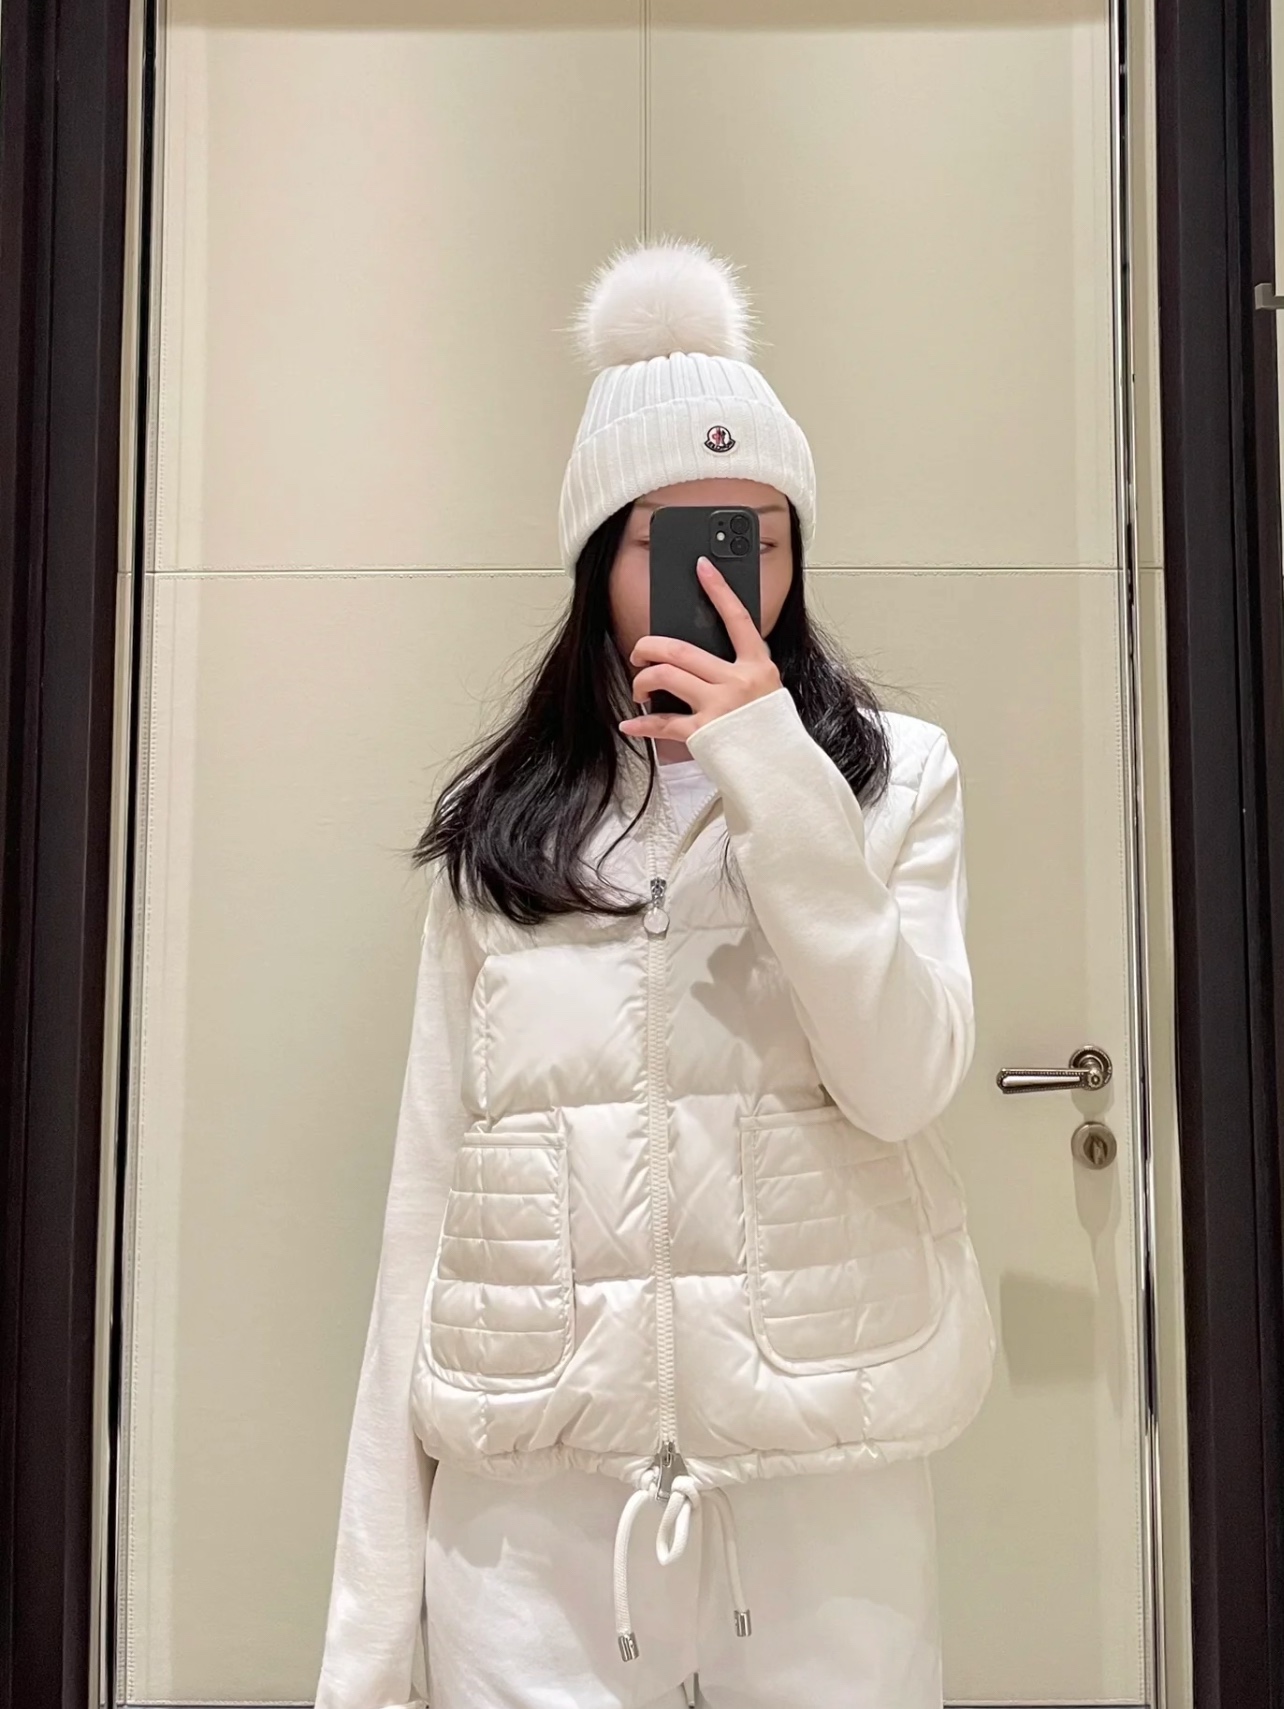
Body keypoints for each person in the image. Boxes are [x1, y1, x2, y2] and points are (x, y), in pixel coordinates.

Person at [314, 237, 996, 1709]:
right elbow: (427, 1197)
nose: (724, 574)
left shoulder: (895, 781)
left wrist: (771, 772)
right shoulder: (504, 831)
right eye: (671, 537)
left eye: (762, 535)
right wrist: (365, 1646)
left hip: (820, 1490)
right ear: (598, 559)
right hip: (538, 1506)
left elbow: (901, 1083)